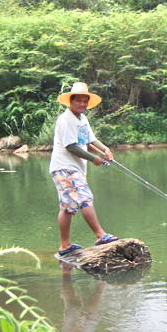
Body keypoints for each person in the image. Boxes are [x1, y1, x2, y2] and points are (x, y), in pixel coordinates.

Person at [50, 82, 118, 256]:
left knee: (68, 207)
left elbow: (90, 139)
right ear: (70, 101)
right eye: (78, 100)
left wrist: (105, 150)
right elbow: (71, 147)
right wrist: (94, 158)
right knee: (83, 199)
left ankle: (65, 246)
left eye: (84, 101)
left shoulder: (82, 119)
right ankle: (100, 235)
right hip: (64, 167)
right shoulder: (65, 120)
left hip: (75, 168)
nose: (82, 104)